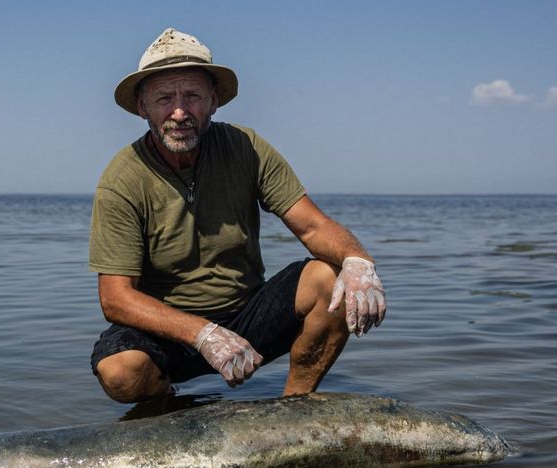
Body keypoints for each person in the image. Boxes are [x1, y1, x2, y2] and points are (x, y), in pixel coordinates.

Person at [89, 28, 386, 403]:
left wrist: (358, 260)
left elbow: (313, 226)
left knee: (333, 278)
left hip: (247, 316)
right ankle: (166, 405)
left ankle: (295, 406)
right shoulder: (122, 178)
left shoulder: (246, 147)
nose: (179, 112)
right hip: (169, 331)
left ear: (214, 101)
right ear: (142, 107)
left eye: (193, 96)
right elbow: (115, 298)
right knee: (120, 372)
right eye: (164, 98)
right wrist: (202, 333)